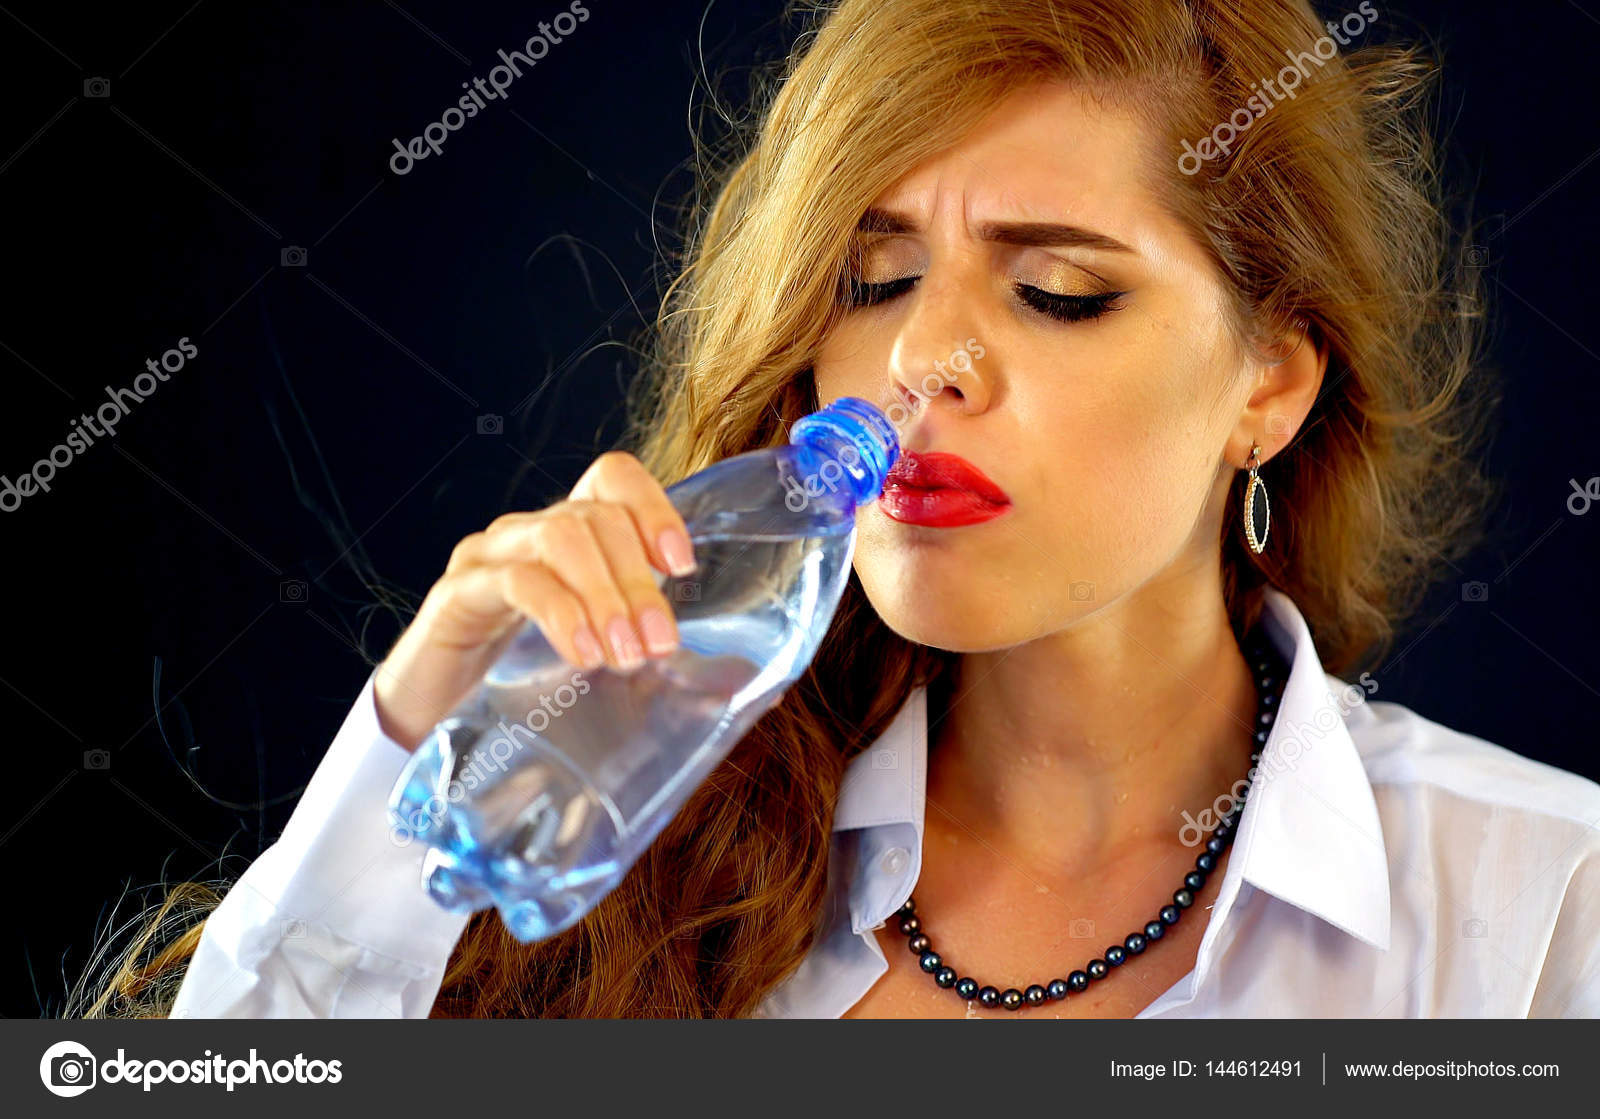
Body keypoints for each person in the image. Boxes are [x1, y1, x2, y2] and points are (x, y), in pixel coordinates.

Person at [86, 0, 1599, 1018]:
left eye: (1058, 291)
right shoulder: (650, 836)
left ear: (1268, 382)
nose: (921, 365)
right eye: (872, 281)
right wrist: (417, 744)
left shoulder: (1542, 908)